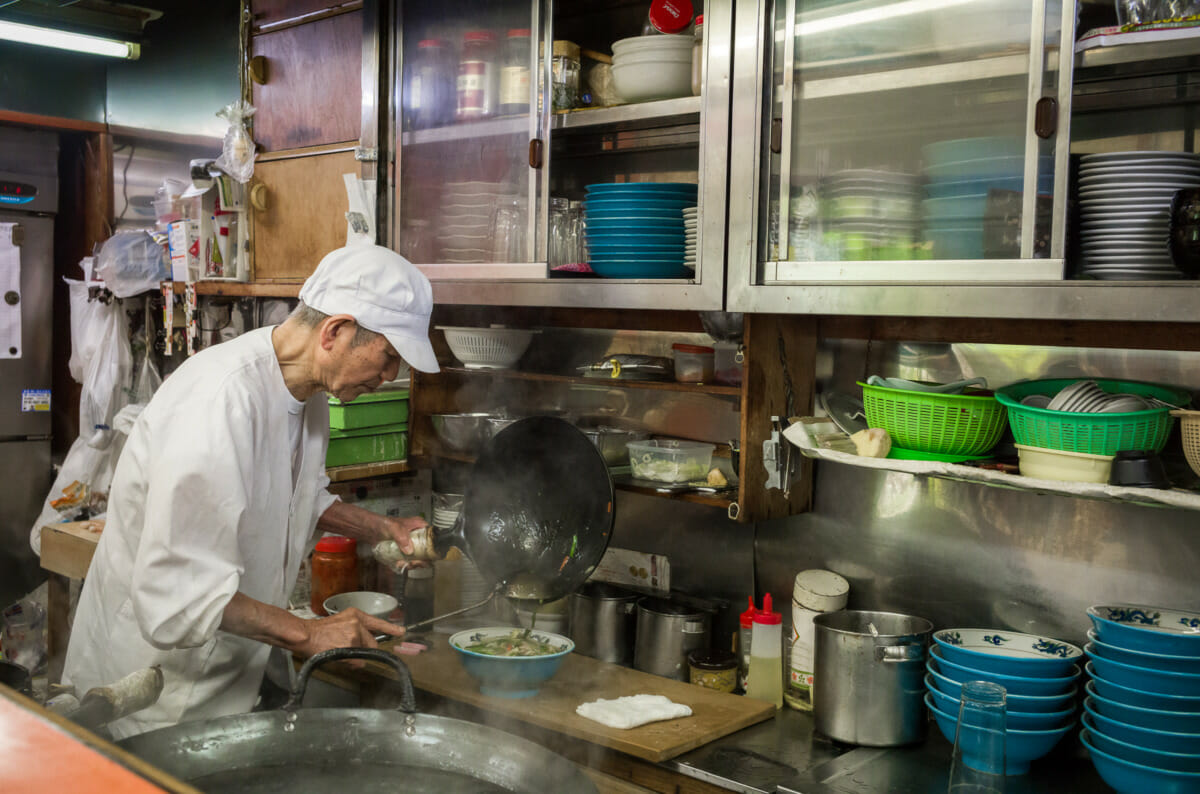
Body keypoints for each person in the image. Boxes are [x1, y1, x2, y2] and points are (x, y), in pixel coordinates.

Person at [62, 243, 440, 739]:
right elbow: (176, 600)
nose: (391, 376)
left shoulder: (307, 394)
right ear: (335, 332)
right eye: (388, 356)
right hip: (148, 696)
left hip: (225, 684)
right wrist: (308, 633)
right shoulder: (220, 402)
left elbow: (296, 493)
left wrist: (379, 527)